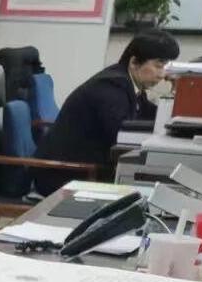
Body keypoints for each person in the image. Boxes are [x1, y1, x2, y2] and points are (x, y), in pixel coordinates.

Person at [33, 31, 180, 194]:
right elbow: (121, 135)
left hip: (89, 167)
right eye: (158, 66)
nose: (162, 75)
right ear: (134, 62)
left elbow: (155, 117)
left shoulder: (130, 84)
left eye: (165, 67)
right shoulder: (111, 86)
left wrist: (177, 92)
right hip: (66, 173)